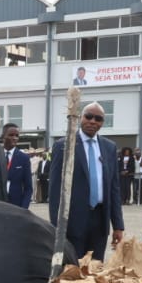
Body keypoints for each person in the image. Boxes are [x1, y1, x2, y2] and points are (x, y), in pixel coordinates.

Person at [46, 102, 124, 261]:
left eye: (98, 118)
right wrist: (57, 226)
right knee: (72, 269)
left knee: (95, 269)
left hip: (100, 220)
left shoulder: (109, 147)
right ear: (81, 117)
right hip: (73, 221)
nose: (93, 121)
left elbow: (114, 188)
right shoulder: (64, 145)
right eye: (88, 116)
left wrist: (118, 225)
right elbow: (55, 189)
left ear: (103, 122)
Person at [0, 122, 33, 208]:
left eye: (17, 136)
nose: (14, 138)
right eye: (11, 135)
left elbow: (28, 188)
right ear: (3, 136)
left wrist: (24, 208)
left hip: (16, 205)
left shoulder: (24, 158)